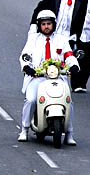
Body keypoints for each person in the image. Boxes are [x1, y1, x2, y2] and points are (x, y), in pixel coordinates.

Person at [18, 10, 79, 144]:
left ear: (54, 25)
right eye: (44, 24)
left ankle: (69, 133)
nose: (46, 26)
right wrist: (27, 67)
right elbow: (25, 55)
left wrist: (74, 65)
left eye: (49, 24)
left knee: (68, 101)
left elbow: (69, 55)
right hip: (38, 77)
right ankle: (24, 129)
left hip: (57, 77)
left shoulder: (61, 40)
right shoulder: (33, 39)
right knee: (31, 100)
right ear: (39, 25)